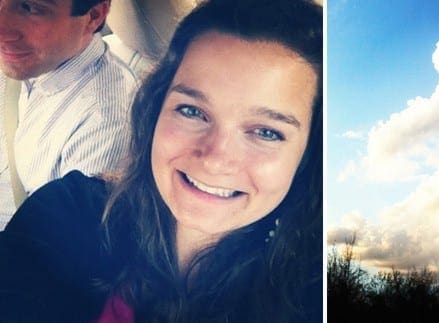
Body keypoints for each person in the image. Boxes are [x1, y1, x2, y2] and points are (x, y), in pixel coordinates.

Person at [0, 0, 323, 321]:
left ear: (308, 153)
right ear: (154, 111)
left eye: (266, 132)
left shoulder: (320, 289)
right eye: (192, 111)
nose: (214, 159)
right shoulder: (65, 213)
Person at [0, 0, 137, 228]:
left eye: (30, 8)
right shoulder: (26, 60)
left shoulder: (105, 122)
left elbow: (53, 253)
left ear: (93, 16)